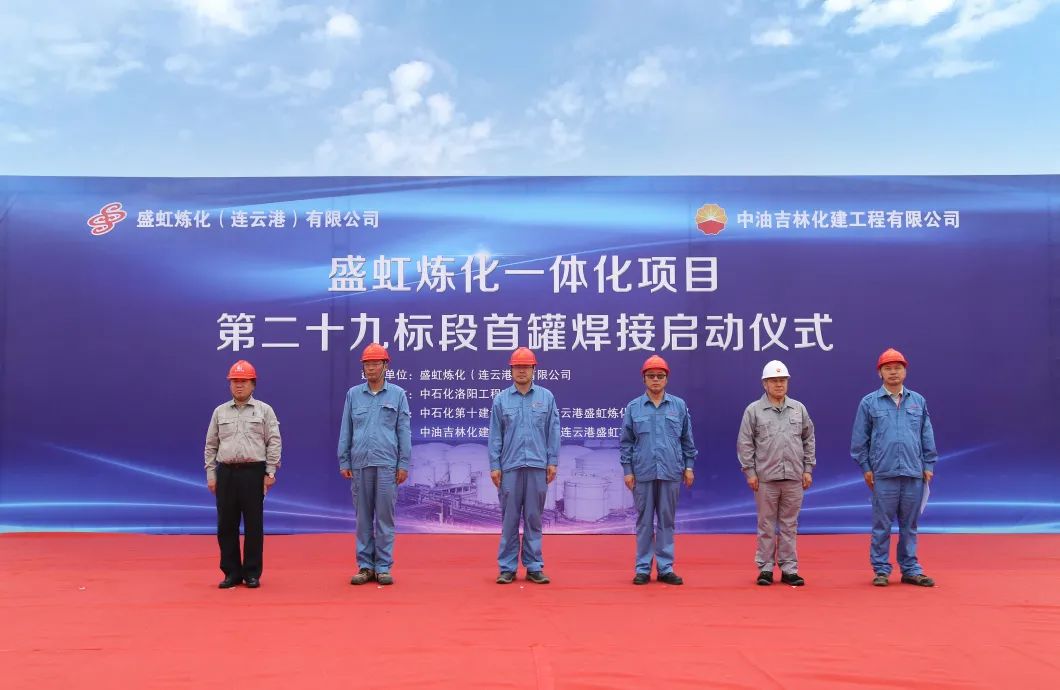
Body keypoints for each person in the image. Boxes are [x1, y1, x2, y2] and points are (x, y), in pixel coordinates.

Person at [851, 348, 938, 587]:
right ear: (879, 373)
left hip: (913, 473)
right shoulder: (869, 402)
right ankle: (881, 569)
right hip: (883, 474)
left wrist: (928, 463)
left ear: (905, 372)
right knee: (882, 526)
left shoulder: (918, 401)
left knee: (910, 526)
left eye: (897, 368)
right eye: (887, 368)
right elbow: (859, 440)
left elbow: (926, 434)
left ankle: (910, 569)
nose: (893, 372)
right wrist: (866, 467)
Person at [619, 354, 697, 585]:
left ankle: (665, 568)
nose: (655, 379)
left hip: (671, 471)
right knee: (644, 522)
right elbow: (626, 442)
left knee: (666, 521)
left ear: (666, 379)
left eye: (660, 376)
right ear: (644, 379)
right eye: (651, 375)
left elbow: (687, 440)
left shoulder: (678, 406)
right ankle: (643, 568)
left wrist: (689, 467)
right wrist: (627, 470)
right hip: (642, 472)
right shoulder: (634, 407)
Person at [737, 360, 815, 586]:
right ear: (765, 384)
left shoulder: (798, 409)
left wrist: (808, 469)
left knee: (790, 525)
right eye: (774, 381)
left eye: (782, 380)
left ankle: (789, 569)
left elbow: (808, 439)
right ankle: (765, 569)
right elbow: (745, 443)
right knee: (766, 525)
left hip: (794, 477)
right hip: (765, 479)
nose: (779, 384)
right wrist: (750, 472)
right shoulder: (754, 410)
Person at [204, 359, 282, 589]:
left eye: (244, 381)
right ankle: (231, 573)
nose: (239, 385)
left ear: (253, 384)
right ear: (229, 384)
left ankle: (251, 573)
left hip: (253, 473)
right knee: (226, 525)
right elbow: (211, 445)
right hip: (226, 473)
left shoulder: (264, 410)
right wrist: (211, 474)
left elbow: (274, 441)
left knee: (253, 525)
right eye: (235, 381)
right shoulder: (220, 412)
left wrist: (270, 471)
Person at [339, 343, 412, 586]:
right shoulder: (353, 395)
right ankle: (365, 566)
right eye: (367, 364)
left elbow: (403, 431)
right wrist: (344, 459)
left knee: (384, 517)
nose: (370, 368)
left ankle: (382, 566)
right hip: (360, 464)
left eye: (375, 364)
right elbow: (346, 429)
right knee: (362, 518)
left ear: (385, 366)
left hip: (387, 464)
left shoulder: (398, 395)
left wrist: (403, 463)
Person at [488, 347, 560, 585]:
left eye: (526, 367)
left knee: (533, 517)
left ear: (533, 369)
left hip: (538, 466)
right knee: (509, 519)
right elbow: (495, 436)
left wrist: (552, 461)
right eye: (517, 367)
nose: (521, 371)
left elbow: (553, 431)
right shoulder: (501, 400)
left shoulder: (546, 398)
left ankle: (534, 566)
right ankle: (507, 567)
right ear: (511, 370)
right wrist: (495, 465)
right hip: (510, 466)